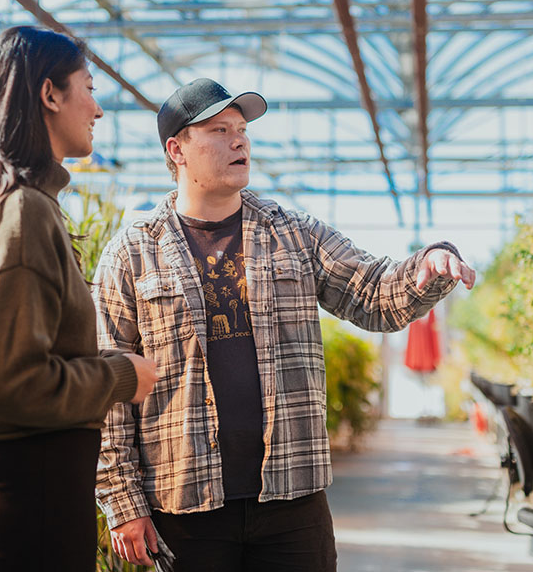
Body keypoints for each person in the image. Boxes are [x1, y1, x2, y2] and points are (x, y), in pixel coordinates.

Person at [92, 78, 476, 572]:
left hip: (291, 497)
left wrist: (427, 267)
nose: (239, 141)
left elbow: (373, 294)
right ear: (177, 150)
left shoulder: (292, 231)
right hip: (184, 504)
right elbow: (108, 385)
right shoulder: (131, 252)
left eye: (242, 130)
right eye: (219, 129)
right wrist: (123, 505)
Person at [0, 26, 158, 571]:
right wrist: (120, 375)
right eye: (88, 87)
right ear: (50, 94)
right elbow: (9, 380)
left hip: (7, 485)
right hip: (24, 492)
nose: (98, 109)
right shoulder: (22, 212)